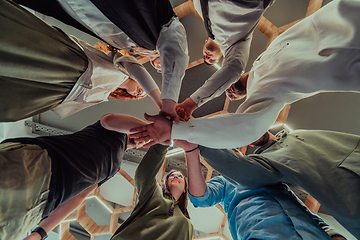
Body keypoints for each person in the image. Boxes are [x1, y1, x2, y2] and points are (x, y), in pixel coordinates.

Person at [131, 0, 360, 149]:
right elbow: (244, 123)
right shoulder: (263, 75)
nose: (230, 93)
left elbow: (233, 77)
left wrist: (186, 112)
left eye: (230, 93)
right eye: (234, 95)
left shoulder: (264, 72)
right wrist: (185, 114)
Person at [14, 0, 189, 120]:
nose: (159, 66)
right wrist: (164, 103)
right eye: (162, 66)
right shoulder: (159, 32)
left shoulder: (127, 49)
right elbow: (173, 52)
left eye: (159, 69)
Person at [175, 128, 360, 239]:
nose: (232, 153)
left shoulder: (274, 175)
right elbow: (201, 198)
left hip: (313, 234)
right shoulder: (225, 182)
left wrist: (333, 234)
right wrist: (191, 152)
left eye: (234, 150)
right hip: (263, 232)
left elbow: (305, 211)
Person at [0, 112, 153, 240]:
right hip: (38, 167)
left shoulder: (115, 167)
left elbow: (79, 196)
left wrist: (40, 233)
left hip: (40, 205)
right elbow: (109, 120)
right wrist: (153, 130)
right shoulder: (111, 131)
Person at [176, 0, 275, 120]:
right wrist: (189, 104)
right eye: (212, 60)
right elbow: (233, 69)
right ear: (222, 57)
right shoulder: (235, 44)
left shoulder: (200, 10)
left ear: (205, 43)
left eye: (204, 57)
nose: (207, 57)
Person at [111, 146, 193, 240]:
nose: (175, 176)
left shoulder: (188, 225)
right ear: (165, 183)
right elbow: (143, 174)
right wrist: (162, 145)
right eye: (171, 175)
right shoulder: (153, 192)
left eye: (180, 176)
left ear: (184, 189)